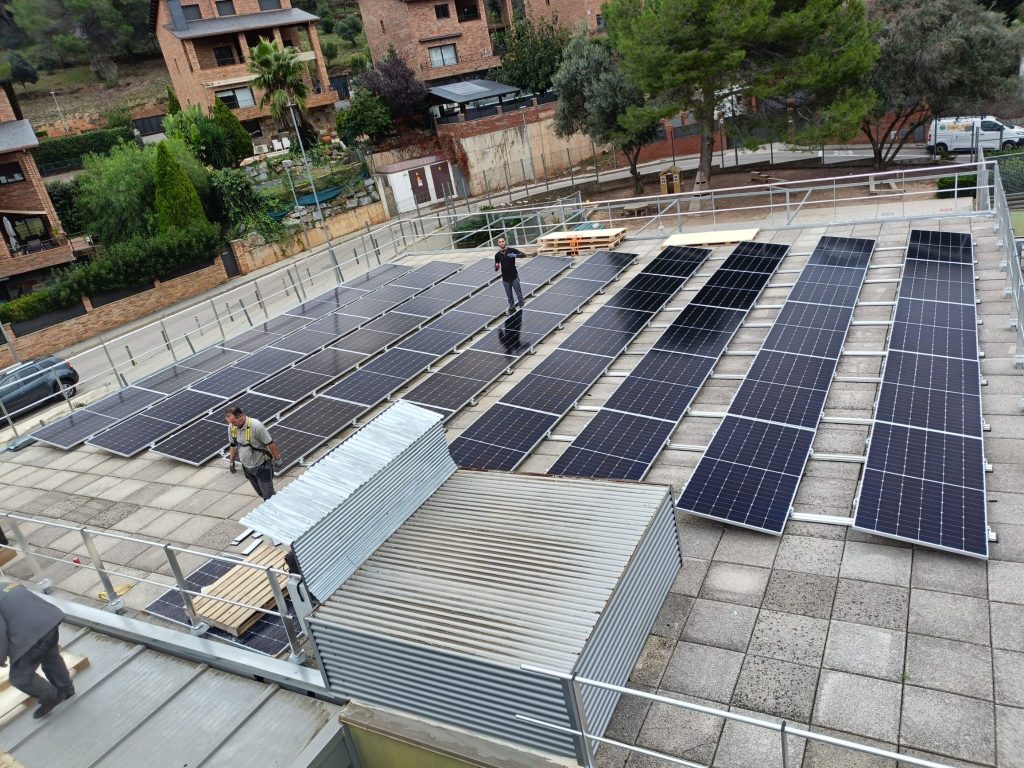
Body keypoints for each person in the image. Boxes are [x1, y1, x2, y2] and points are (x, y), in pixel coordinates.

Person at [0, 581, 74, 719]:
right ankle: (66, 689)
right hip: (50, 620)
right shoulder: (4, 584)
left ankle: (50, 697)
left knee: (19, 678)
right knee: (50, 657)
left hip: (32, 635)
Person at [226, 405, 282, 500]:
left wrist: (278, 459)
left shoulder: (256, 426)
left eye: (234, 422)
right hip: (247, 467)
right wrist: (231, 461)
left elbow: (270, 443)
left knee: (268, 495)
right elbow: (232, 445)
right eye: (230, 423)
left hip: (262, 466)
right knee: (261, 492)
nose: (232, 425)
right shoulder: (232, 427)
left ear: (241, 416)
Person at [494, 236, 528, 313]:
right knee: (509, 296)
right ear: (498, 244)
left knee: (519, 294)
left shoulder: (511, 250)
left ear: (505, 242)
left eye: (503, 241)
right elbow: (496, 265)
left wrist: (515, 255)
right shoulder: (497, 255)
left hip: (514, 277)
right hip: (505, 279)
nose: (501, 243)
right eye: (500, 242)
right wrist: (496, 267)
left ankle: (522, 307)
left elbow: (524, 255)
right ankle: (512, 308)